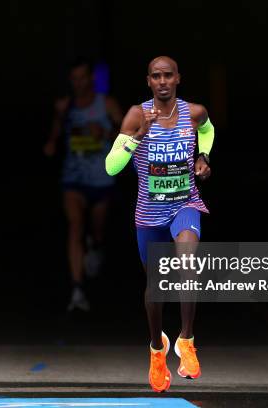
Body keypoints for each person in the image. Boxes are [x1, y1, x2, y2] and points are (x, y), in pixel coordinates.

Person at [105, 56, 215, 392]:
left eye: (168, 75)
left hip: (185, 205)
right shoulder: (136, 116)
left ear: (178, 78)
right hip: (149, 214)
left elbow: (207, 130)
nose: (163, 81)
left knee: (187, 264)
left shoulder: (194, 112)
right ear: (149, 81)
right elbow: (111, 167)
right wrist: (139, 135)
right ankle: (157, 349)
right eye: (156, 76)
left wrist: (203, 156)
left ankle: (187, 340)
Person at [44, 58, 123, 312]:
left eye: (82, 78)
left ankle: (96, 246)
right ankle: (77, 289)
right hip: (74, 179)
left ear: (91, 79)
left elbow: (131, 136)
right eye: (74, 79)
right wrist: (52, 140)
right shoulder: (66, 106)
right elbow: (54, 139)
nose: (79, 83)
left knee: (98, 230)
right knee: (75, 225)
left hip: (101, 179)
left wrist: (106, 134)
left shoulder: (106, 104)